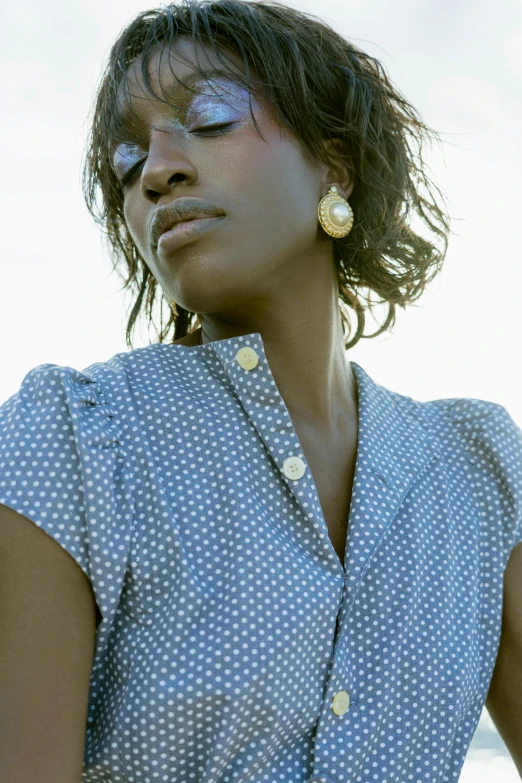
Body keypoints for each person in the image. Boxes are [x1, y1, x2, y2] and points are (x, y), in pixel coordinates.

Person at [1, 0, 521, 780]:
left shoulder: (479, 476)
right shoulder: (75, 442)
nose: (156, 169)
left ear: (334, 162)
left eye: (209, 117)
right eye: (126, 160)